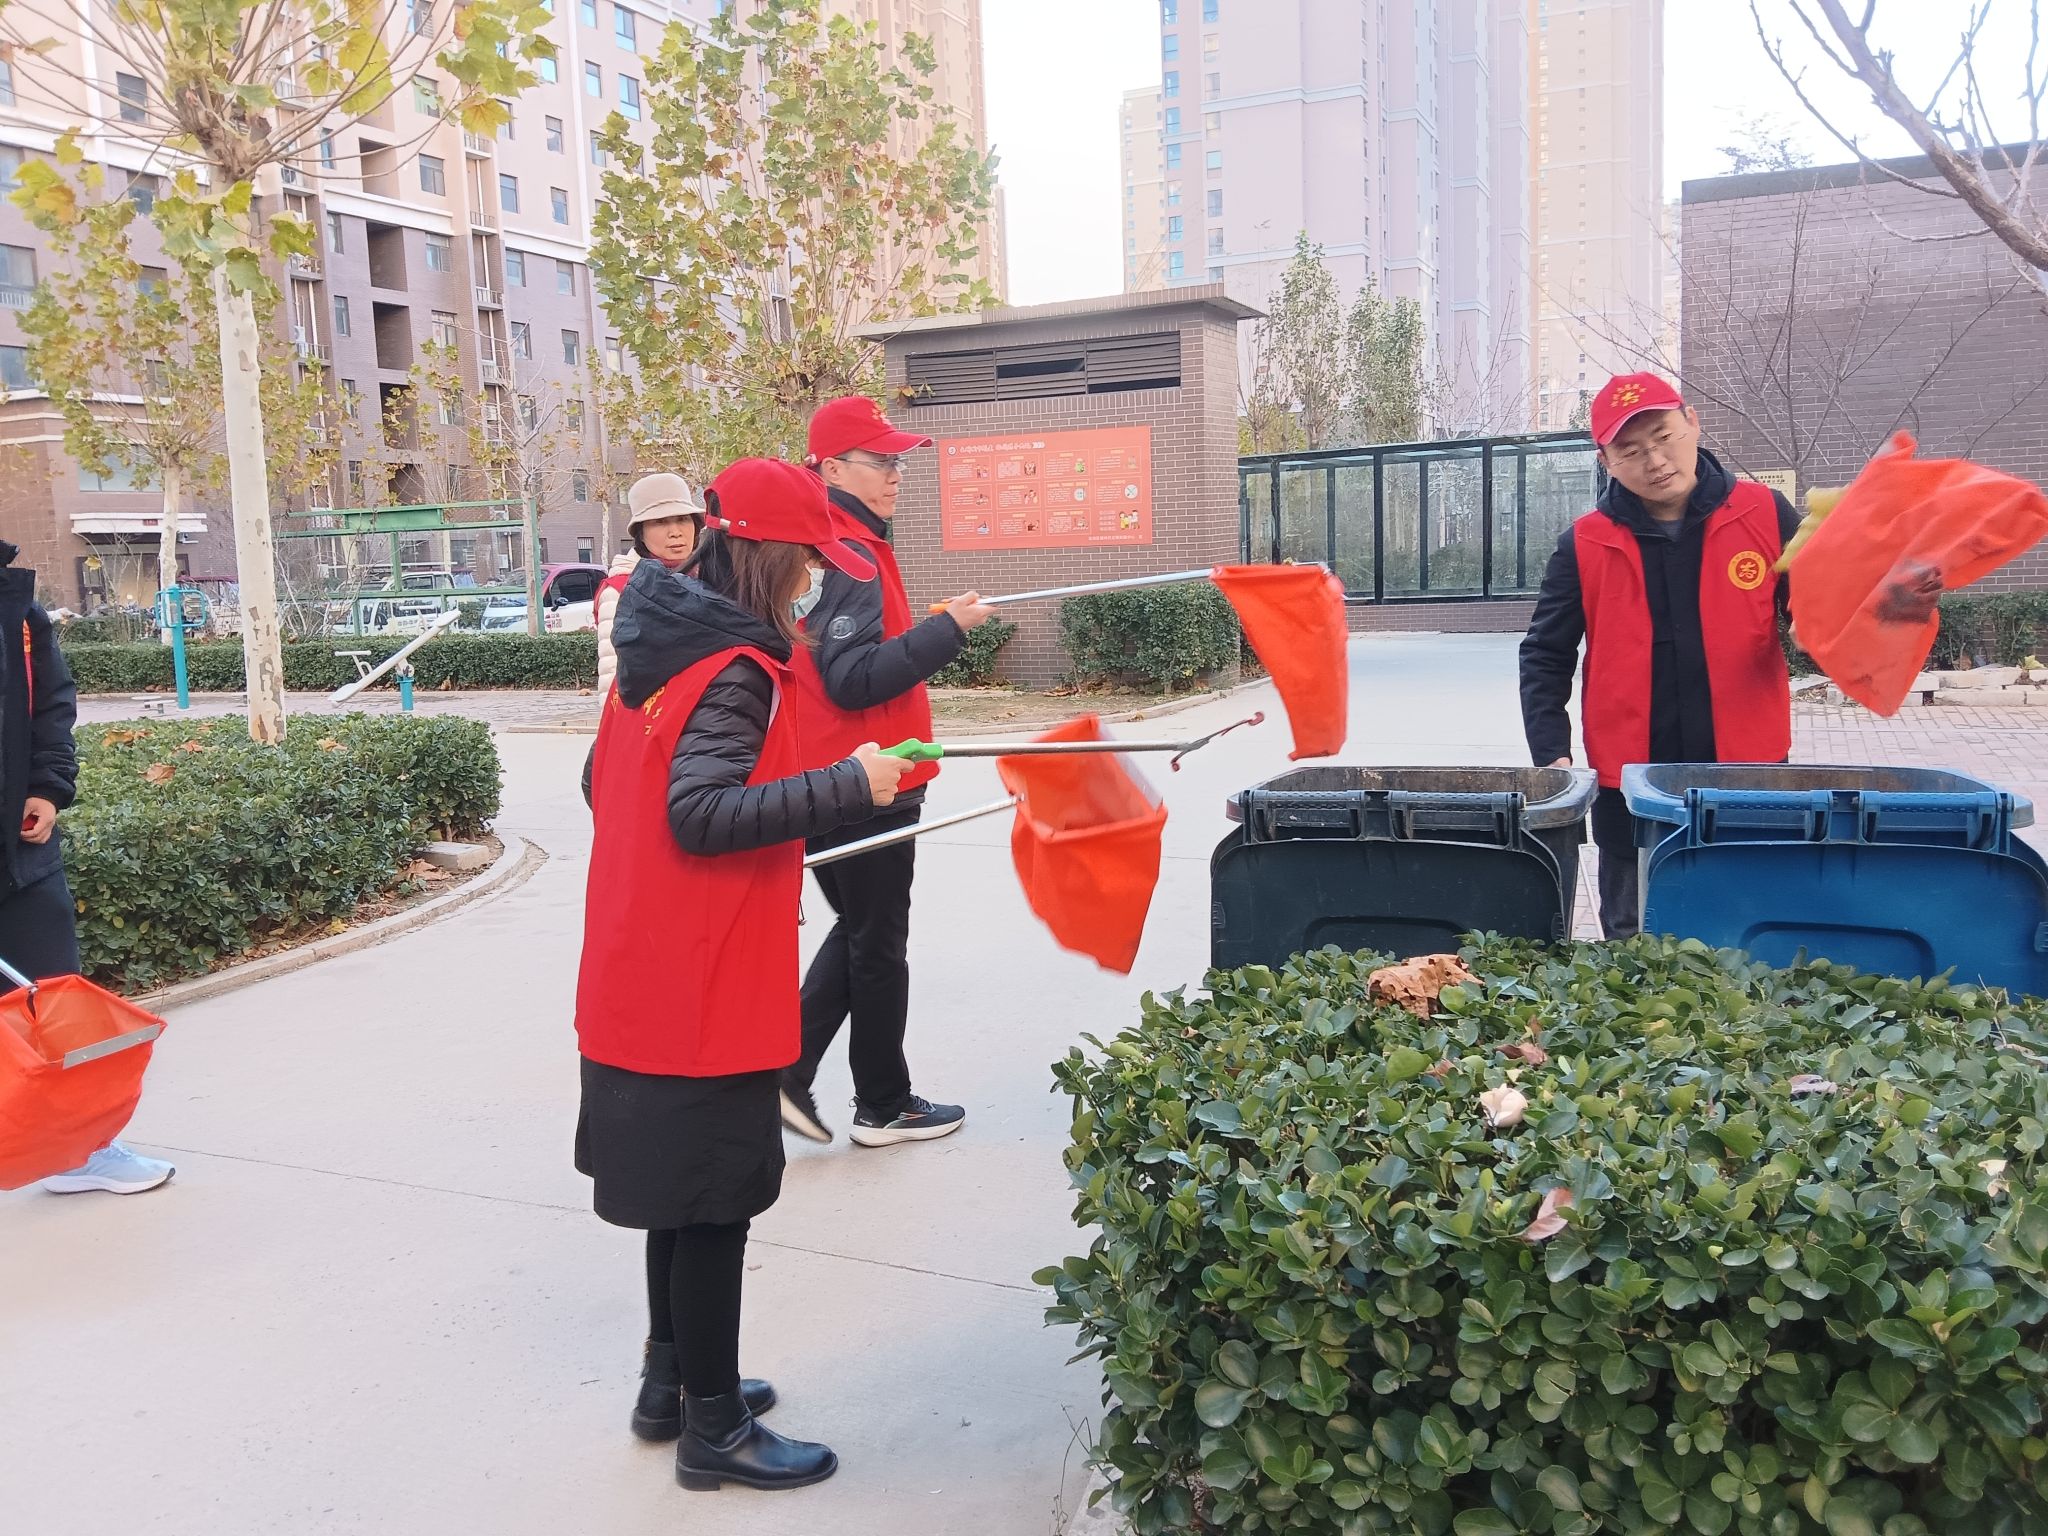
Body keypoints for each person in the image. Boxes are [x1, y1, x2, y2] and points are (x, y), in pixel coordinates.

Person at [575, 457, 913, 1493]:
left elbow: (601, 783)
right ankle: (713, 1429)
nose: (814, 581)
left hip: (635, 965)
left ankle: (669, 1385)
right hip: (699, 981)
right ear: (769, 559)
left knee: (676, 1198)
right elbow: (700, 813)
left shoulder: (655, 647)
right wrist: (845, 784)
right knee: (715, 1205)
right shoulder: (733, 669)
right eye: (808, 560)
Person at [776, 395, 995, 1150]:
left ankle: (791, 1075)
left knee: (861, 930)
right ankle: (881, 1104)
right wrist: (945, 632)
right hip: (867, 777)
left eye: (898, 459)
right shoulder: (849, 552)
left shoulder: (820, 542)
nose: (896, 473)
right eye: (880, 460)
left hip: (829, 774)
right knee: (877, 943)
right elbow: (850, 679)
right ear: (832, 469)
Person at [1519, 372, 1801, 940]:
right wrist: (1552, 754)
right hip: (1631, 777)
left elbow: (1819, 614)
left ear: (1692, 423)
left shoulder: (1765, 514)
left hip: (1747, 766)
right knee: (1632, 938)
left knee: (1754, 928)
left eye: (1664, 436)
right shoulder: (1584, 543)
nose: (1655, 460)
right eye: (1630, 450)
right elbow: (1545, 654)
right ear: (1606, 461)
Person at [0, 542, 174, 1195]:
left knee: (56, 1003)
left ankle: (79, 1151)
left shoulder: (15, 607)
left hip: (19, 853)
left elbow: (51, 704)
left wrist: (47, 788)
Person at [595, 472, 704, 703]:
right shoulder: (621, 589)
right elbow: (612, 678)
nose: (675, 531)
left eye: (683, 519)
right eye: (660, 522)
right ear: (641, 534)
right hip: (649, 716)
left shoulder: (710, 579)